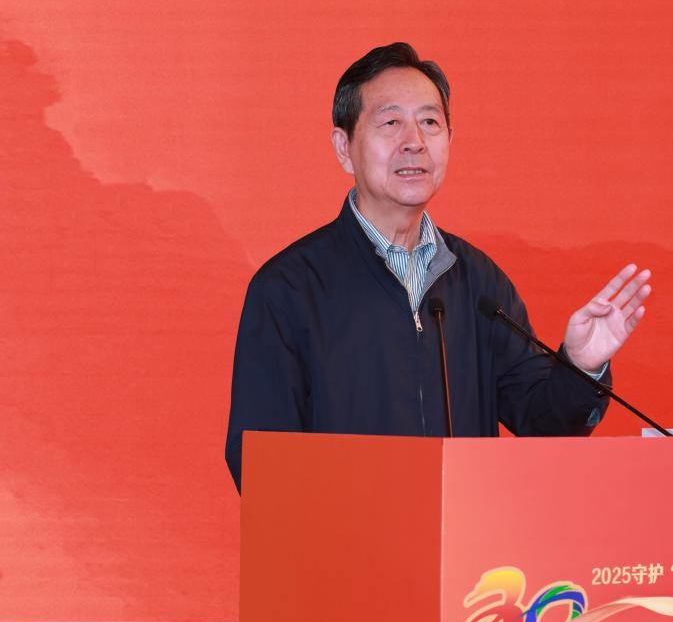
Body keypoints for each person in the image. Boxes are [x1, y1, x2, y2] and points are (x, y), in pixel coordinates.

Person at [225, 43, 651, 491]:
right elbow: (261, 465)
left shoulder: (479, 282)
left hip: (465, 536)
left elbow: (544, 423)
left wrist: (580, 367)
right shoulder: (290, 289)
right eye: (391, 123)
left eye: (430, 122)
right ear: (343, 147)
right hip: (347, 536)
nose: (415, 141)